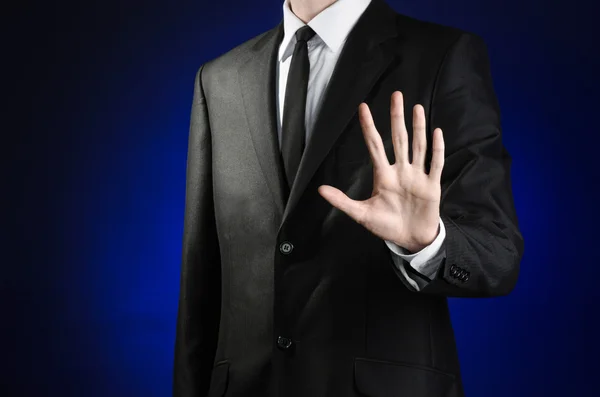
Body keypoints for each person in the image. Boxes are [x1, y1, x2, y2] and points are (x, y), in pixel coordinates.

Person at [173, 0, 525, 395]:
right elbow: (201, 282)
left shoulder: (443, 55)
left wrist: (427, 244)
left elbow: (498, 255)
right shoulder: (219, 78)